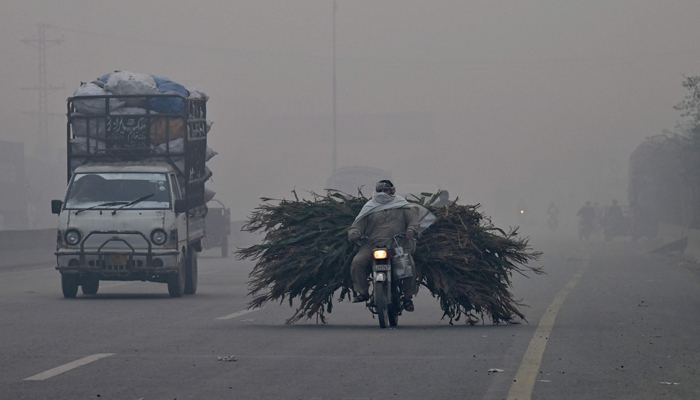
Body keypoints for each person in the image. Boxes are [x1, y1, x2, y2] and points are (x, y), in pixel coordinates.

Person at [348, 180, 420, 311]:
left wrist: (411, 230)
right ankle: (362, 292)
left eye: (386, 190)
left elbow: (413, 221)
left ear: (392, 190)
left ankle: (408, 297)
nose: (383, 193)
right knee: (357, 262)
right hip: (371, 245)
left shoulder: (401, 205)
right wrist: (354, 233)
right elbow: (356, 225)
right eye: (380, 190)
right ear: (376, 191)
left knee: (410, 265)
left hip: (397, 245)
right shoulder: (369, 207)